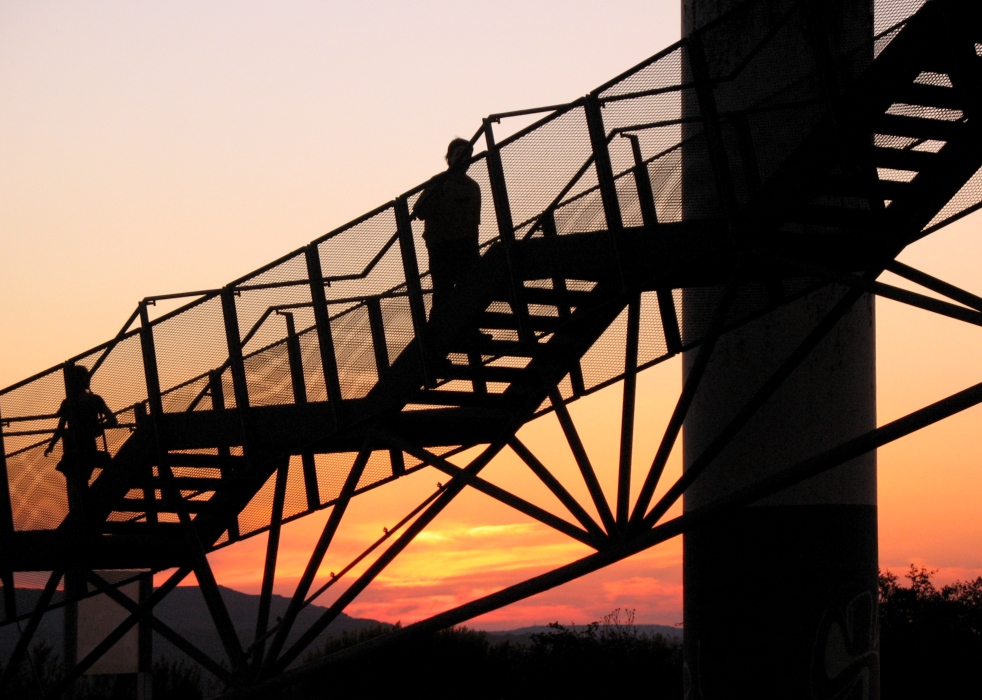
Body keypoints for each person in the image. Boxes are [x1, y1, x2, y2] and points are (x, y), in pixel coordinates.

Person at [413, 138, 482, 310]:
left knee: (469, 291)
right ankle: (436, 332)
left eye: (467, 155)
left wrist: (475, 249)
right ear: (449, 158)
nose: (464, 159)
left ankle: (470, 331)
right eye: (459, 155)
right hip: (441, 246)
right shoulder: (439, 182)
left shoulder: (473, 187)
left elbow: (474, 223)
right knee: (443, 292)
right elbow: (419, 211)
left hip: (465, 245)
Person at [45, 364, 117, 512]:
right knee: (83, 480)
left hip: (74, 448)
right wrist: (98, 427)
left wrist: (51, 445)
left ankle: (81, 513)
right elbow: (112, 420)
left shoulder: (69, 403)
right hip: (90, 446)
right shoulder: (96, 399)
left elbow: (60, 427)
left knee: (76, 483)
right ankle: (85, 510)